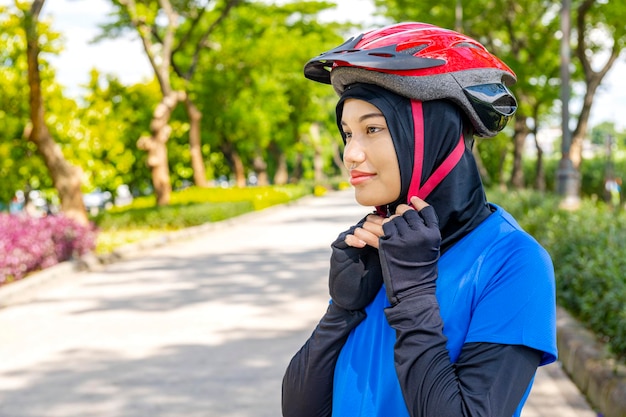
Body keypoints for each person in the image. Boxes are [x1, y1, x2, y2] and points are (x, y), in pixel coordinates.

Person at [282, 22, 557, 417]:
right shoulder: (382, 245)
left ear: (435, 133)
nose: (351, 155)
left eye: (373, 129)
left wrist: (412, 292)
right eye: (347, 134)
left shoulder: (513, 262)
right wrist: (341, 312)